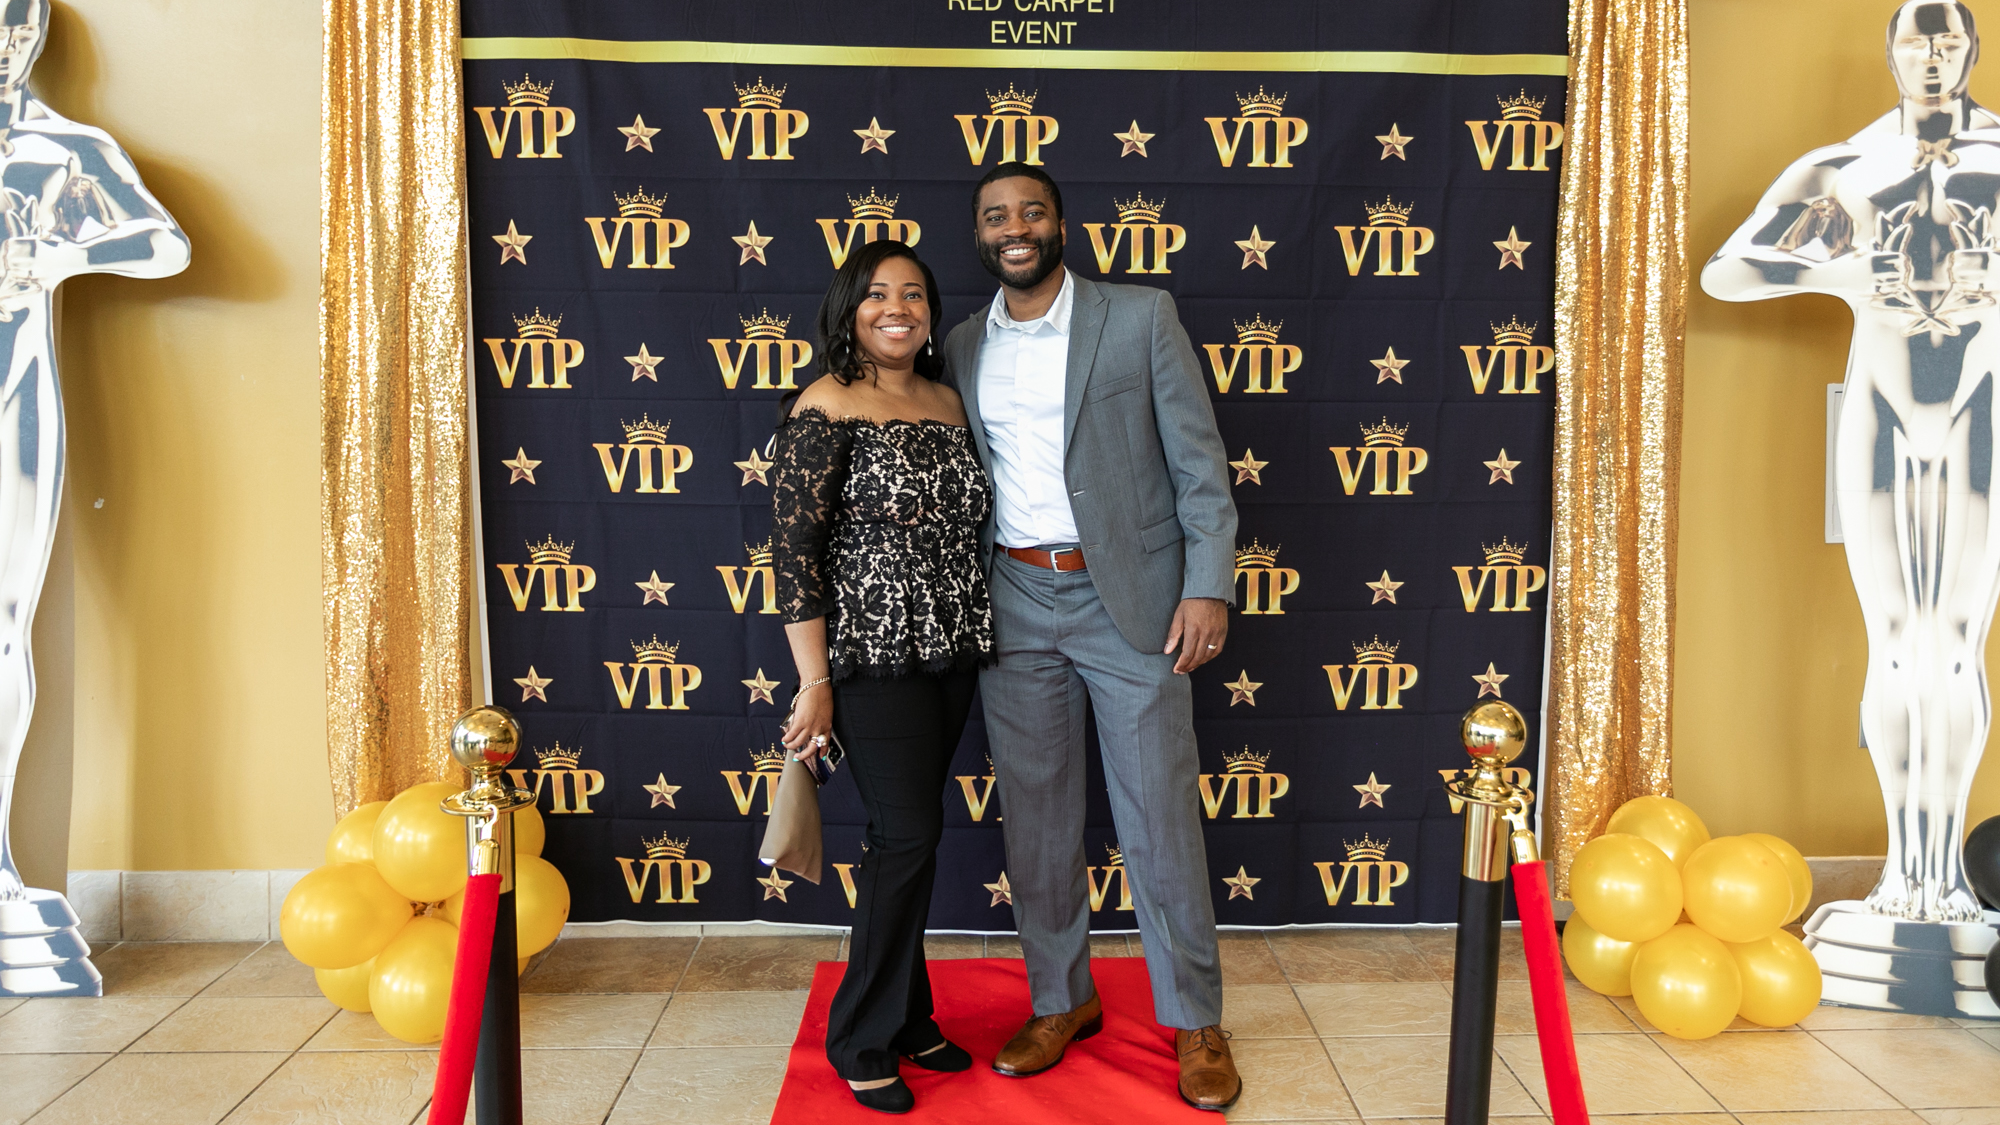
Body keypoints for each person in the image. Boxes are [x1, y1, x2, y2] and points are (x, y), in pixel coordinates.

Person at [941, 163, 1243, 1110]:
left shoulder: (1139, 316)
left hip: (1135, 603)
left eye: (1031, 210)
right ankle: (1059, 999)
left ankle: (1195, 1019)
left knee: (1158, 817)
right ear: (981, 235)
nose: (1015, 227)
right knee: (1035, 820)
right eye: (997, 216)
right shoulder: (957, 344)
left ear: (1061, 224)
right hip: (1014, 597)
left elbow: (1201, 465)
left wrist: (1207, 588)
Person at [1702, 0, 1999, 922]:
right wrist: (1841, 269)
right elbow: (1728, 270)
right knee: (1895, 642)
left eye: (1952, 38)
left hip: (1982, 408)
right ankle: (1900, 880)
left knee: (1956, 643)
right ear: (1891, 53)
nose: (1935, 53)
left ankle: (1944, 877)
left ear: (1974, 49)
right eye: (1918, 37)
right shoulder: (1847, 165)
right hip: (1881, 409)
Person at [772, 238, 995, 1113]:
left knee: (917, 837)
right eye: (876, 295)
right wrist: (814, 680)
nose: (897, 307)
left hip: (952, 652)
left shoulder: (946, 399)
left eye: (913, 293)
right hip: (868, 659)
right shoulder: (826, 403)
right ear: (850, 310)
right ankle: (862, 1032)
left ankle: (907, 1016)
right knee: (904, 836)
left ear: (930, 313)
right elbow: (794, 556)